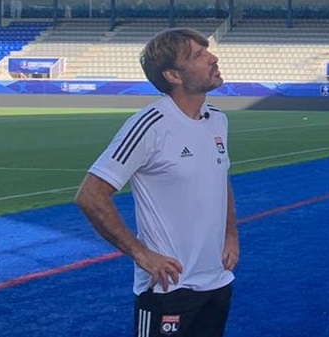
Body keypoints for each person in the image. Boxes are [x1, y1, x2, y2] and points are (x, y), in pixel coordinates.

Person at [75, 27, 239, 337]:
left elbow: (221, 176)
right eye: (198, 55)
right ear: (173, 76)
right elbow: (90, 195)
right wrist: (141, 254)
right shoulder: (149, 124)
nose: (213, 58)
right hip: (169, 288)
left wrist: (231, 233)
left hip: (217, 280)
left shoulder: (217, 118)